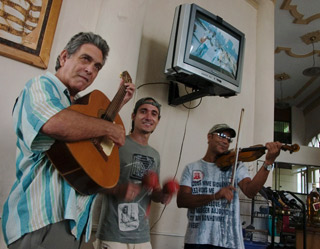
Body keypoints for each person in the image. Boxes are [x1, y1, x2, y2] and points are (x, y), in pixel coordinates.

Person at [1, 32, 136, 249]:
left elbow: (88, 146)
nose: (90, 69)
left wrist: (117, 105)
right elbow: (56, 123)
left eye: (97, 66)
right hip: (42, 218)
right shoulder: (40, 85)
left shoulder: (79, 106)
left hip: (75, 224)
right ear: (64, 57)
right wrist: (110, 127)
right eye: (85, 59)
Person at [177, 123, 282, 249]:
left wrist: (268, 162)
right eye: (221, 136)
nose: (225, 141)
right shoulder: (192, 168)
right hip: (197, 240)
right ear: (209, 137)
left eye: (228, 139)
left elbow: (250, 191)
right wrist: (215, 196)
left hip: (229, 241)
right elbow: (182, 200)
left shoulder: (235, 165)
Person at [95, 97, 172, 249]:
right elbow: (93, 183)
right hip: (113, 234)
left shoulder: (155, 154)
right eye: (143, 112)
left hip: (142, 237)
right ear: (133, 115)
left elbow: (153, 192)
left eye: (154, 114)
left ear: (158, 120)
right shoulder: (116, 144)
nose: (149, 117)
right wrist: (118, 189)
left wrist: (163, 195)